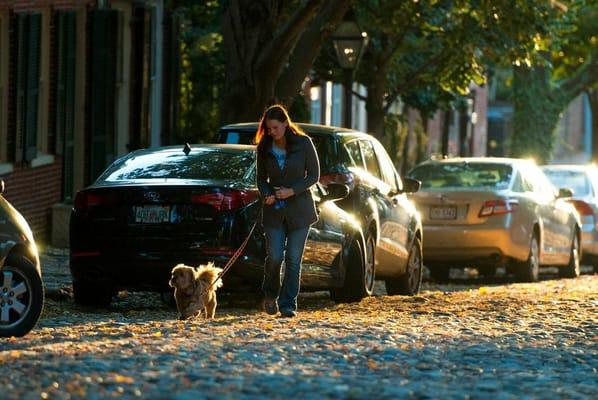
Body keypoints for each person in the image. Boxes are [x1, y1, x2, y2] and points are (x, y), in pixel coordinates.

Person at [255, 104, 320, 318]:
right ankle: (269, 294)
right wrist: (267, 194)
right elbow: (261, 179)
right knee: (274, 256)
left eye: (275, 127)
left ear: (285, 123)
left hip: (300, 211)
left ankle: (288, 304)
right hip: (274, 211)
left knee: (293, 260)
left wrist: (292, 191)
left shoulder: (303, 143)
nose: (271, 132)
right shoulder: (264, 147)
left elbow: (314, 175)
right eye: (268, 128)